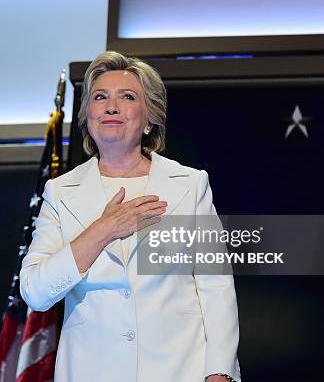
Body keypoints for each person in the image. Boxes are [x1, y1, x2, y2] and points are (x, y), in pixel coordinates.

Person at [20, 51, 241, 382]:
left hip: (180, 370)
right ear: (88, 117)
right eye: (100, 97)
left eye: (127, 97)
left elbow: (216, 285)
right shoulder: (61, 192)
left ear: (149, 118)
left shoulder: (190, 184)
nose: (111, 106)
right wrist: (104, 229)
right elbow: (35, 292)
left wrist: (220, 371)